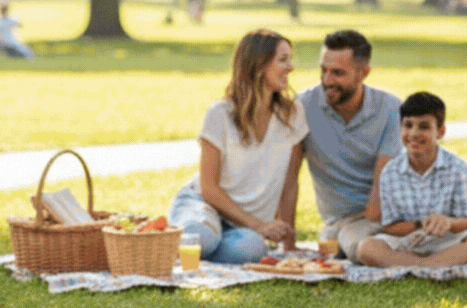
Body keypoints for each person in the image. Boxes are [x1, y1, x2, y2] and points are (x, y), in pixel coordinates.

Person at [167, 30, 307, 264]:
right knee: (202, 238)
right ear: (259, 65)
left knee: (252, 249)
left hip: (243, 226)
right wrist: (259, 226)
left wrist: (289, 245)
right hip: (203, 206)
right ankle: (186, 245)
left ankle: (187, 253)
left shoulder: (292, 115)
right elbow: (209, 189)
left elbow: (290, 183)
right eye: (283, 60)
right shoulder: (219, 114)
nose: (291, 67)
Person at [298, 30, 401, 262]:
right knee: (332, 244)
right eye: (323, 70)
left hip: (383, 213)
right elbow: (289, 175)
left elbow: (382, 185)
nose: (327, 80)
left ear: (364, 73)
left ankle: (429, 253)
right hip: (339, 222)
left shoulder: (390, 108)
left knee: (354, 245)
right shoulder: (304, 107)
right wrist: (287, 243)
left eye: (337, 73)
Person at [357, 92, 467, 268]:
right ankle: (429, 265)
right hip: (408, 243)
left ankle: (416, 265)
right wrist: (419, 224)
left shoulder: (458, 169)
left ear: (441, 132)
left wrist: (448, 223)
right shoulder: (391, 172)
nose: (414, 133)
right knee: (366, 248)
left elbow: (464, 221)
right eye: (408, 125)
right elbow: (390, 227)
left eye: (424, 127)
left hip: (449, 242)